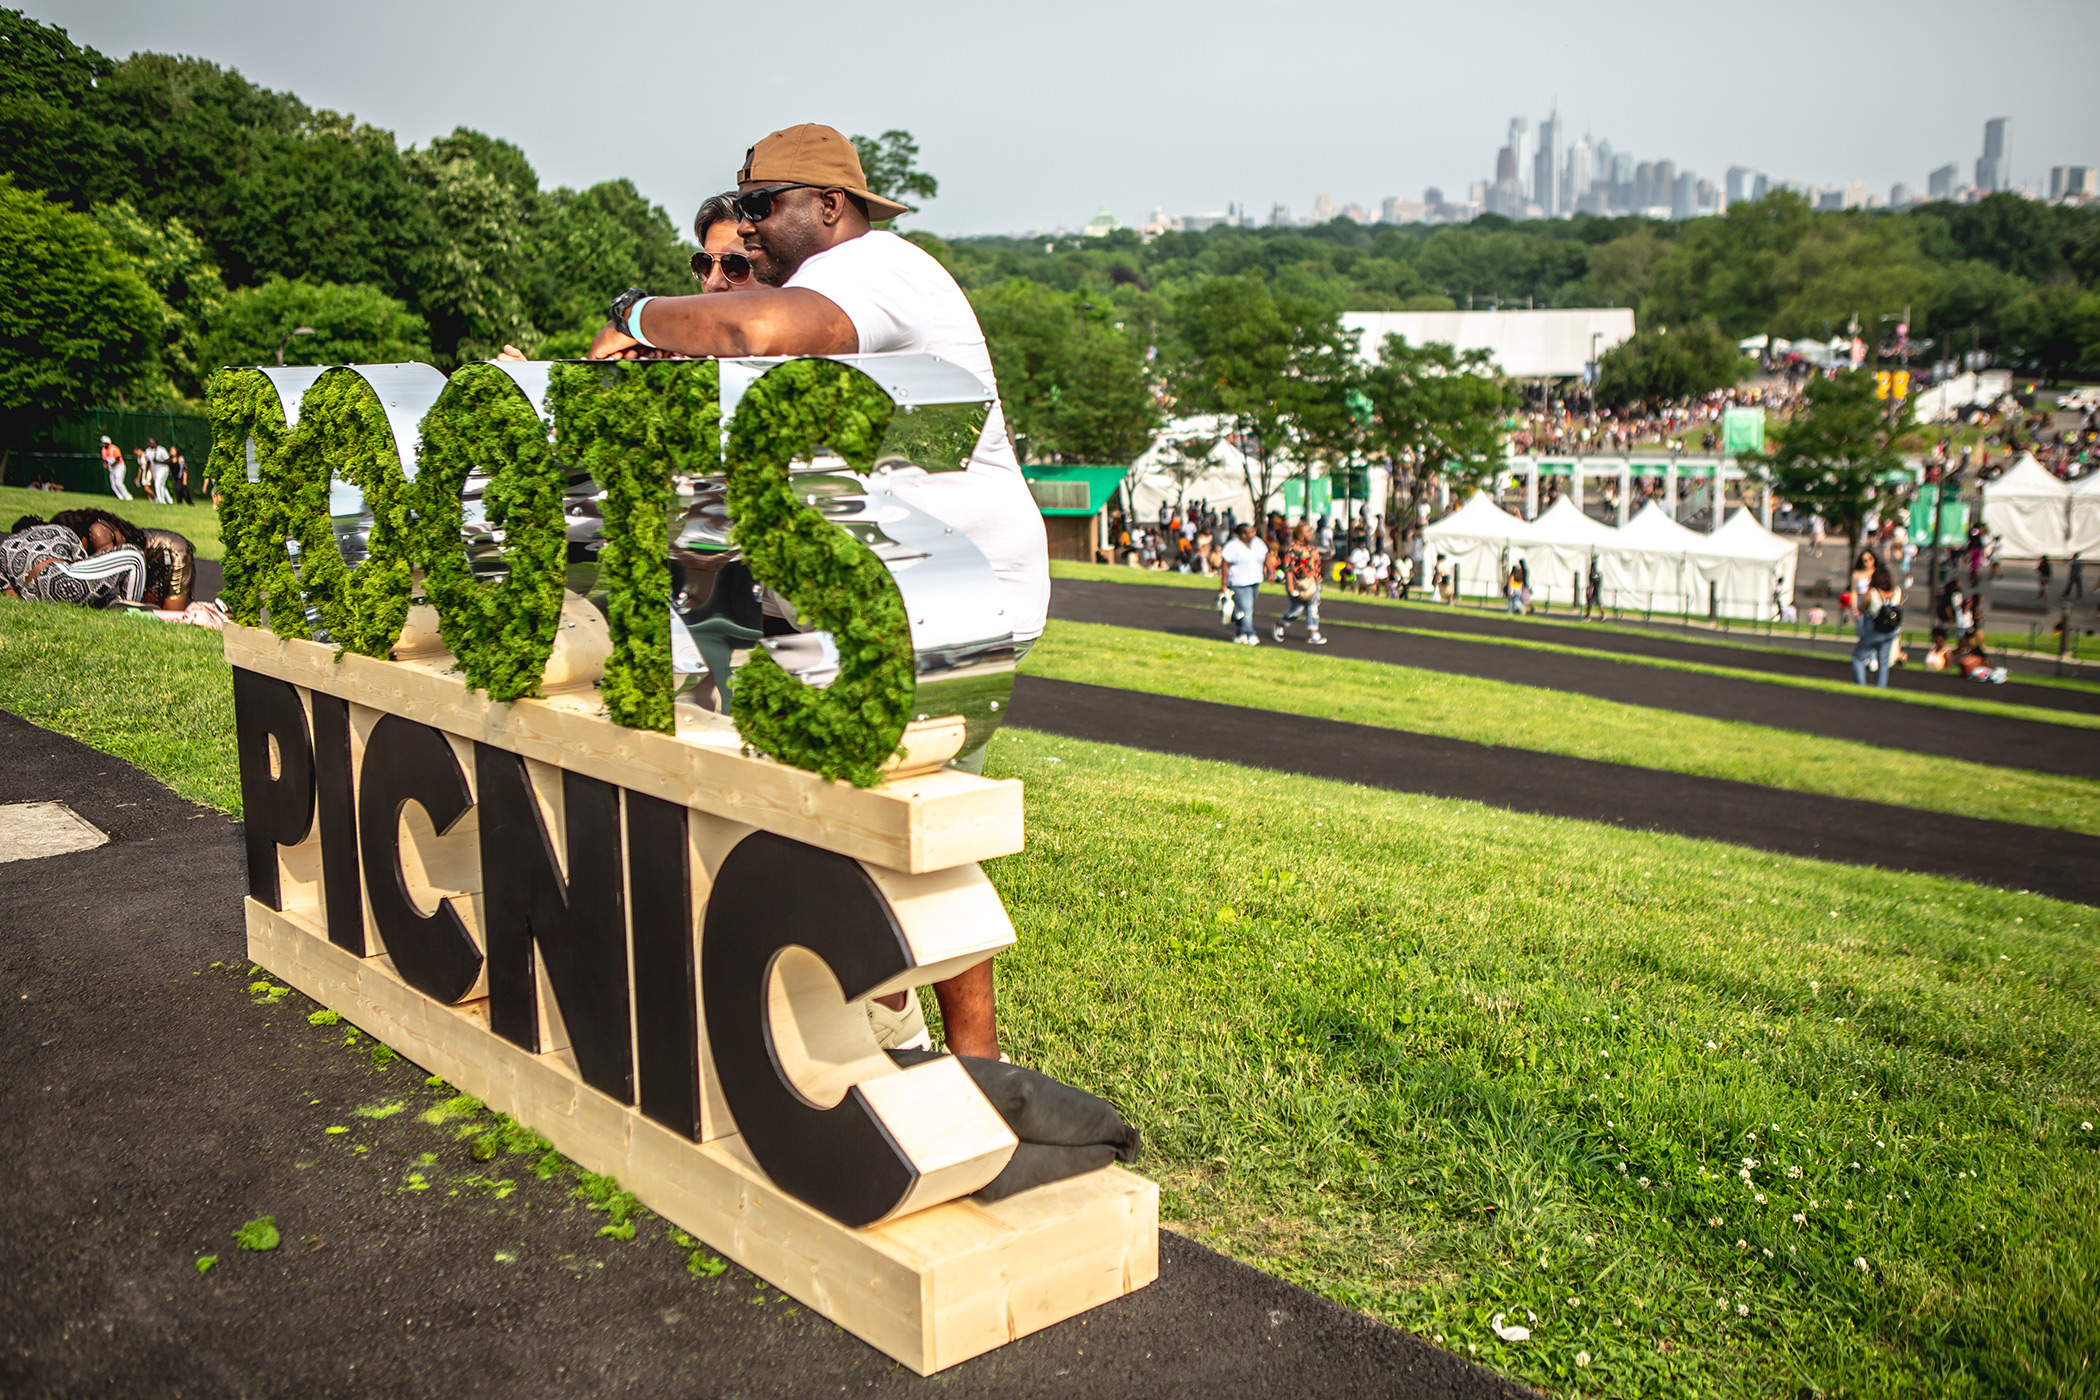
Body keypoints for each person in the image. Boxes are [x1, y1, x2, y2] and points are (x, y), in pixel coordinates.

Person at [583, 125, 1050, 1063]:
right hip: (877, 587)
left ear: (829, 207)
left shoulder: (873, 265)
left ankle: (967, 1064)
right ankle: (903, 1032)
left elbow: (752, 329)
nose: (747, 227)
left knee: (892, 816)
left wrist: (639, 311)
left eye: (762, 206)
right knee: (834, 807)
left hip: (944, 590)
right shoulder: (822, 291)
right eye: (739, 208)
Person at [1272, 523, 1327, 645]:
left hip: (1312, 583)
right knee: (1297, 609)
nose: (1310, 533)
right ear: (1300, 535)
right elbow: (1289, 569)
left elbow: (1315, 565)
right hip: (1298, 583)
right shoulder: (1293, 549)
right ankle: (1280, 624)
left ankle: (1312, 633)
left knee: (1313, 607)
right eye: (1307, 531)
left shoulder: (1311, 548)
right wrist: (1291, 587)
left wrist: (1318, 580)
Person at [1851, 563, 1903, 688]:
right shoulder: (1897, 592)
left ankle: (1860, 686)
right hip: (1890, 631)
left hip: (1874, 629)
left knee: (1858, 657)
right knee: (1883, 661)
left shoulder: (1873, 593)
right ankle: (1880, 688)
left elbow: (1862, 608)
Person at [1220, 521, 1266, 644]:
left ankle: (1240, 633)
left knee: (1244, 610)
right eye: (1250, 532)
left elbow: (1266, 555)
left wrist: (1271, 572)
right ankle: (1250, 634)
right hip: (1239, 583)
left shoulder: (1258, 543)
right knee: (1247, 610)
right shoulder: (1232, 546)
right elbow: (1225, 565)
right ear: (1243, 535)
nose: (1254, 533)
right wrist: (1223, 583)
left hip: (1255, 580)